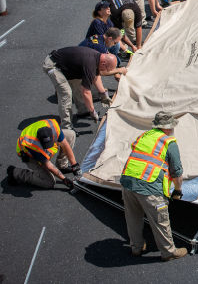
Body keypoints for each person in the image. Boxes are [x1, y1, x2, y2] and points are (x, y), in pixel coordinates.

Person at [120, 111, 188, 261]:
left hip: (127, 182)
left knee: (133, 217)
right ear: (169, 127)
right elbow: (177, 173)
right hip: (149, 187)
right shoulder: (169, 143)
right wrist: (177, 190)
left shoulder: (144, 136)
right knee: (160, 220)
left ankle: (136, 247)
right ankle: (169, 252)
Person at [42, 48, 125, 131]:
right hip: (53, 66)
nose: (106, 71)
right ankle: (66, 127)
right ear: (103, 63)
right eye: (107, 69)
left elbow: (96, 76)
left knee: (78, 83)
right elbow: (86, 92)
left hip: (66, 66)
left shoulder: (98, 58)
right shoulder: (90, 63)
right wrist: (92, 111)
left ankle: (83, 111)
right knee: (66, 94)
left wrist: (103, 94)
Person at [7, 118, 80, 189]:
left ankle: (62, 166)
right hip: (28, 154)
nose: (48, 148)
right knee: (49, 182)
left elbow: (65, 144)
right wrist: (64, 179)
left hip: (39, 142)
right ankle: (15, 172)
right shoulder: (32, 144)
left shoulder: (54, 127)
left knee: (70, 134)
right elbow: (48, 165)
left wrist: (74, 165)